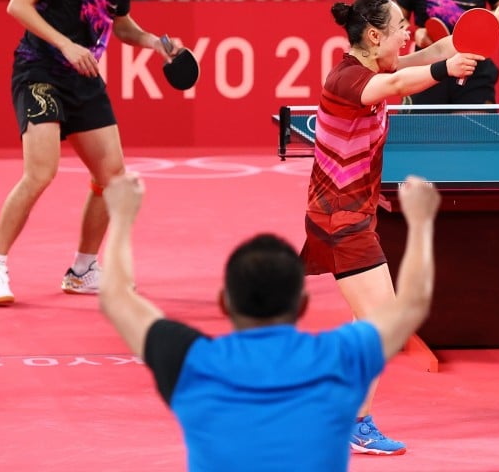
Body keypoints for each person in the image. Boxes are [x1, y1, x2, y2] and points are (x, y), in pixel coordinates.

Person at [97, 172, 443, 472]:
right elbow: (411, 306)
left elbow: (116, 296)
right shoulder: (337, 359)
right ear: (303, 303)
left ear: (224, 302)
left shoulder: (193, 362)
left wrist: (122, 216)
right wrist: (421, 222)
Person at [303, 0, 499, 454]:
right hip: (340, 219)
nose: (407, 32)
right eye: (400, 26)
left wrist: (481, 30)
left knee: (368, 323)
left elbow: (429, 53)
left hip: (352, 213)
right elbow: (399, 81)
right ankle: (351, 420)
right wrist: (444, 71)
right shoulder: (347, 79)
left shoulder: (375, 63)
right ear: (375, 36)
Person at [0, 0, 184, 306]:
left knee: (113, 178)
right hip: (40, 70)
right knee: (41, 172)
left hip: (83, 78)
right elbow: (18, 5)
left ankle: (83, 268)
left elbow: (120, 24)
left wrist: (155, 43)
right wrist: (67, 44)